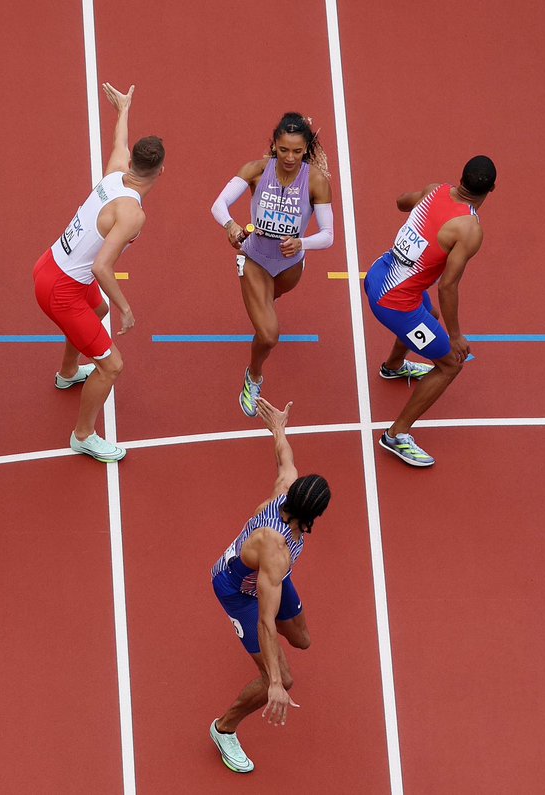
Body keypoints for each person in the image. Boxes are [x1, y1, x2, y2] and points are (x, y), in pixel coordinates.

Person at [33, 83, 162, 463]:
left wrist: (123, 110)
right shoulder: (133, 214)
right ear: (160, 171)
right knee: (112, 365)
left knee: (97, 313)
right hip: (64, 287)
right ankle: (83, 435)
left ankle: (67, 373)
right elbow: (102, 267)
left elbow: (119, 145)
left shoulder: (114, 176)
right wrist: (126, 307)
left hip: (50, 264)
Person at [209, 397, 331, 774]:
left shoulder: (287, 488)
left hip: (272, 576)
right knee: (285, 677)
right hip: (237, 590)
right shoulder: (276, 549)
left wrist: (278, 426)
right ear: (315, 515)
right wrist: (275, 681)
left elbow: (284, 457)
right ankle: (224, 728)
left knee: (303, 639)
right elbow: (265, 619)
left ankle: (268, 661)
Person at [366, 156, 494, 467]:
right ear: (491, 189)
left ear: (460, 177)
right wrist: (456, 336)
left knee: (430, 316)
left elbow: (401, 202)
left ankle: (393, 366)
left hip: (378, 275)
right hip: (395, 302)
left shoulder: (436, 190)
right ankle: (396, 435)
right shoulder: (469, 230)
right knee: (450, 364)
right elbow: (447, 286)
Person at [211, 113, 335, 417]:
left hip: (290, 267)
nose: (290, 157)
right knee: (268, 335)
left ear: (306, 148)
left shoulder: (316, 181)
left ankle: (264, 305)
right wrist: (229, 225)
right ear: (274, 146)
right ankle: (253, 376)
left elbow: (329, 235)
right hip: (255, 259)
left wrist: (301, 242)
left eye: (296, 151)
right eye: (283, 150)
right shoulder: (256, 170)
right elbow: (218, 204)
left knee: (270, 302)